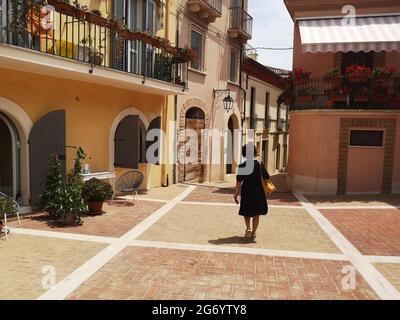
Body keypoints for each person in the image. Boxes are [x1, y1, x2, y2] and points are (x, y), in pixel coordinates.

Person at [234, 144, 270, 240]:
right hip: (258, 191)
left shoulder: (242, 166)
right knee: (256, 213)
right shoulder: (259, 164)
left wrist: (236, 193)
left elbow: (239, 181)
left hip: (246, 191)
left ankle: (248, 228)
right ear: (254, 152)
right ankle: (253, 233)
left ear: (244, 153)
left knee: (246, 211)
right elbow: (267, 177)